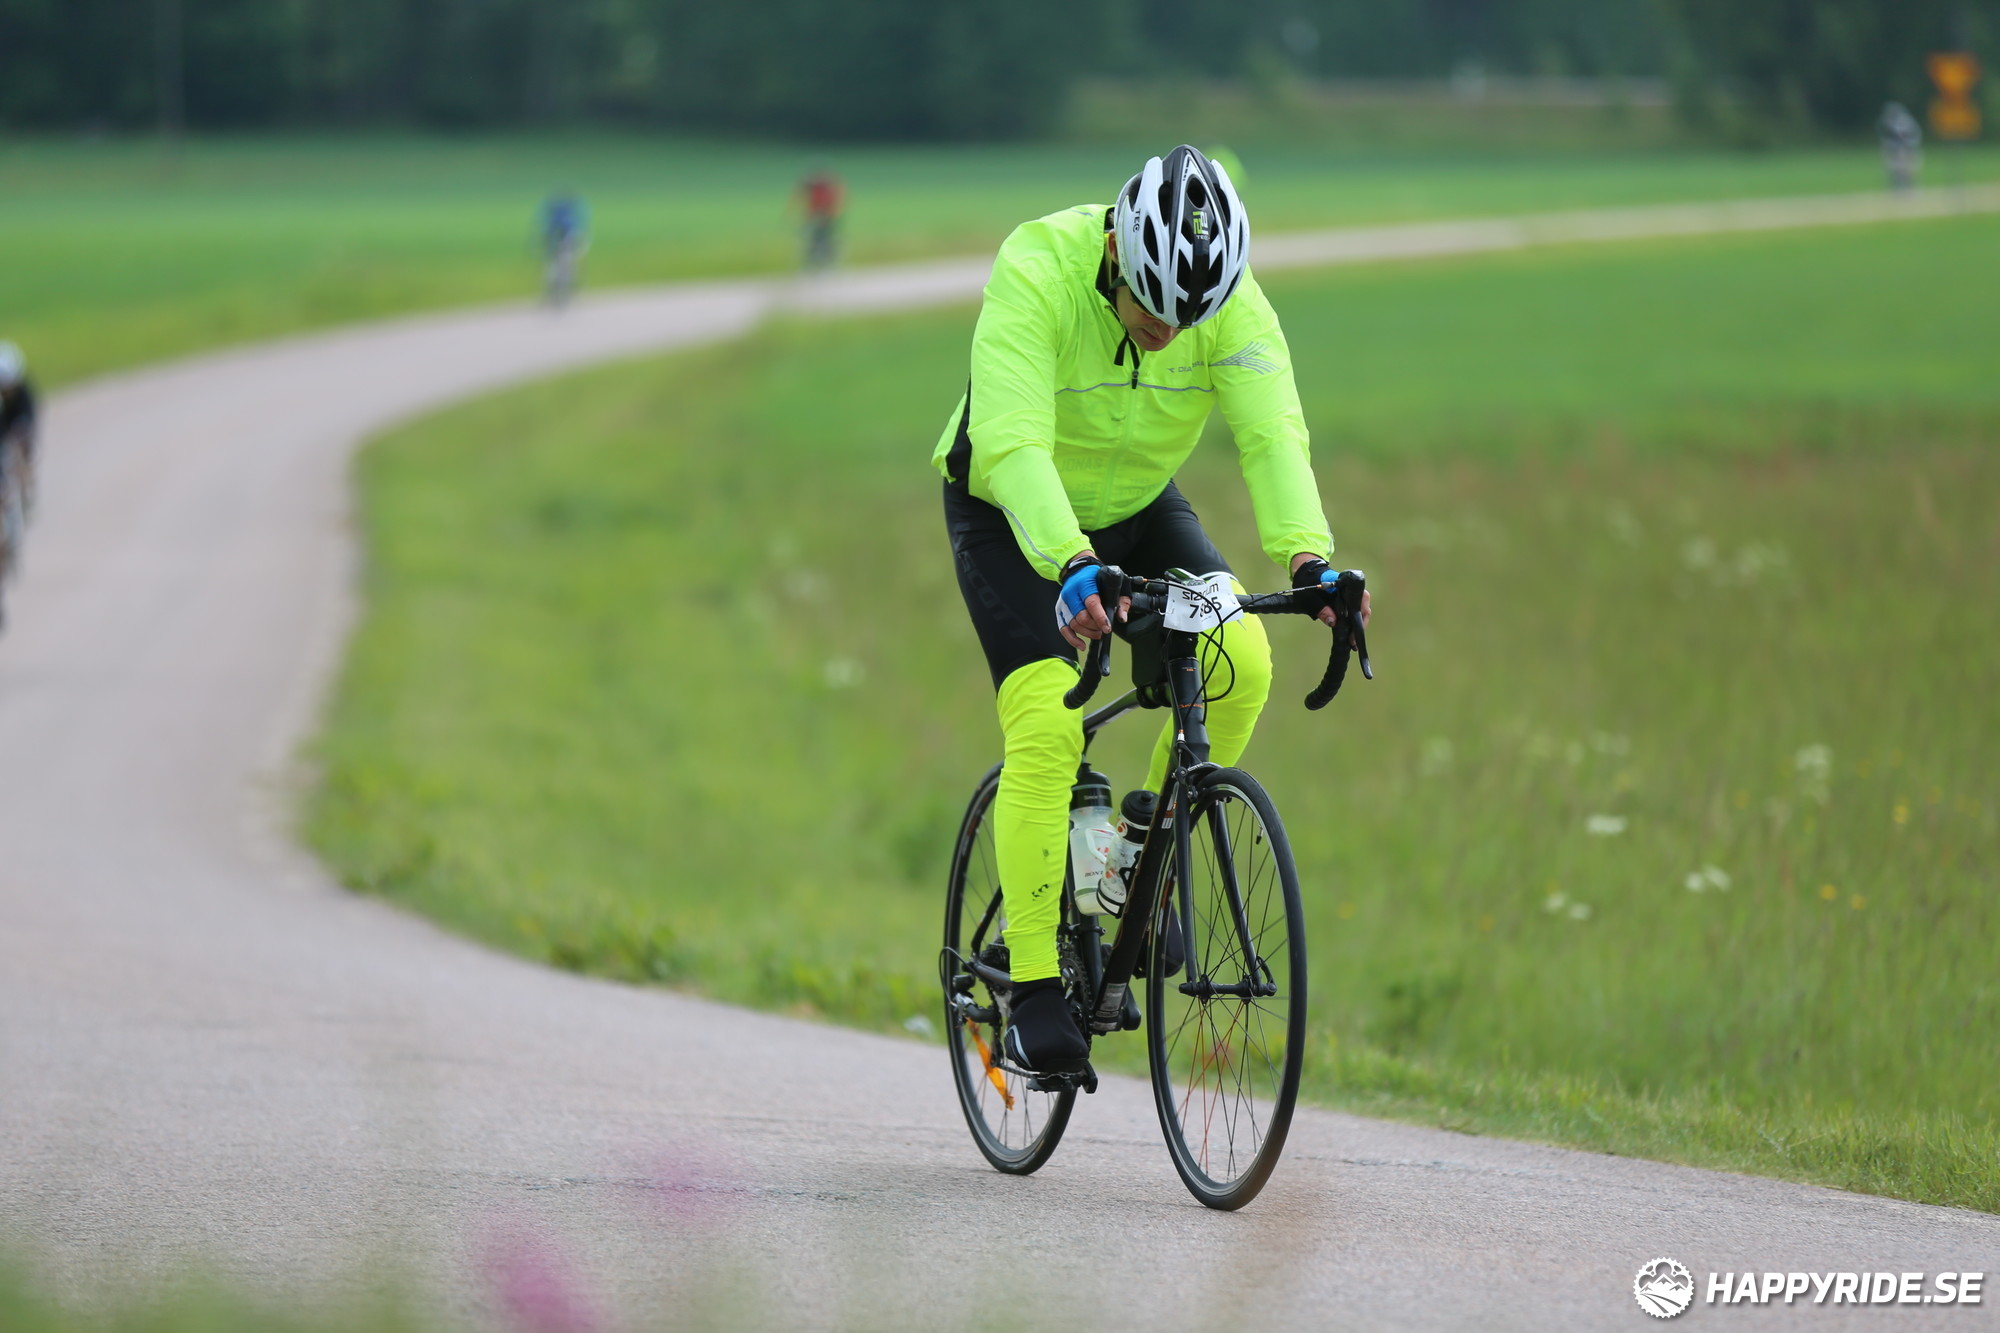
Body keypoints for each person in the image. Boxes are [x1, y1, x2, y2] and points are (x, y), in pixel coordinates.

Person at [933, 146, 1368, 1073]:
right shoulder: (1037, 268)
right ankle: (1035, 983)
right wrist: (1071, 562)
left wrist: (1310, 558)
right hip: (1011, 511)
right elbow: (1011, 442)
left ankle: (1135, 867)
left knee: (1242, 662)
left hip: (1135, 507)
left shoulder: (1230, 305)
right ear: (1117, 256)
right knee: (1048, 720)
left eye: (1189, 316)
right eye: (1152, 309)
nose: (1169, 331)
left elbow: (1271, 432)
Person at [0, 340, 38, 623]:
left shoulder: (24, 392)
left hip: (16, 425)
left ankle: (25, 489)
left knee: (23, 449)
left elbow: (29, 419)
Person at [539, 191, 589, 306]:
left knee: (557, 267)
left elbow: (547, 235)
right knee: (566, 265)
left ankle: (556, 290)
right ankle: (571, 287)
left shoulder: (555, 219)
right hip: (563, 243)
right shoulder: (567, 219)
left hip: (561, 243)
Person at [798, 167, 844, 270]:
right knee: (815, 239)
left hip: (826, 217)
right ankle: (815, 261)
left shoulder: (824, 190)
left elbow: (830, 205)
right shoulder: (816, 190)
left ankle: (826, 261)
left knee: (824, 239)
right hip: (818, 217)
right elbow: (811, 206)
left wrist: (826, 216)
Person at [1878, 102, 1923, 193]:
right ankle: (1898, 188)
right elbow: (1885, 138)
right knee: (1895, 169)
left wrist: (1909, 146)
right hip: (1894, 150)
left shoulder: (1906, 122)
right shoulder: (1886, 123)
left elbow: (1914, 136)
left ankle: (1910, 188)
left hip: (1908, 149)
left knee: (1908, 169)